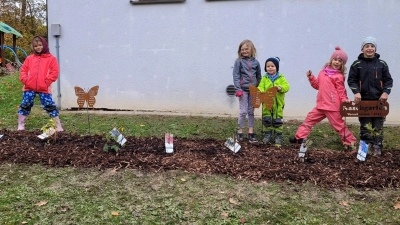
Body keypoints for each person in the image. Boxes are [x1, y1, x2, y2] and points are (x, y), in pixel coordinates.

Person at [289, 46, 357, 150]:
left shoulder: (338, 76)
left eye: (340, 61)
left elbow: (341, 90)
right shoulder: (322, 73)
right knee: (309, 120)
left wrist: (344, 100)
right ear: (331, 60)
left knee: (338, 125)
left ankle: (350, 142)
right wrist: (311, 77)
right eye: (335, 59)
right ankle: (300, 138)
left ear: (342, 64)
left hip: (332, 106)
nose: (337, 62)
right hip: (321, 105)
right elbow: (317, 85)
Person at [347, 36, 393, 156]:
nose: (370, 48)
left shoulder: (382, 64)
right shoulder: (357, 64)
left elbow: (388, 81)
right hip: (364, 102)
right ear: (362, 49)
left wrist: (385, 93)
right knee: (365, 126)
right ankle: (363, 151)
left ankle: (377, 149)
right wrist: (356, 92)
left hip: (379, 101)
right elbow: (351, 80)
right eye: (367, 46)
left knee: (378, 126)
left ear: (375, 49)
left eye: (372, 46)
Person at [17, 36, 64, 131]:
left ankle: (58, 125)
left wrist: (46, 82)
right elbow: (23, 70)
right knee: (25, 103)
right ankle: (21, 124)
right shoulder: (30, 58)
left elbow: (54, 72)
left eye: (40, 45)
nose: (38, 47)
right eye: (35, 46)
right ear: (33, 47)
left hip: (44, 87)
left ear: (44, 44)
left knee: (49, 104)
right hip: (29, 87)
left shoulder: (51, 58)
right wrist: (26, 80)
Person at [233, 39, 261, 143]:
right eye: (242, 49)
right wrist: (238, 89)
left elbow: (259, 76)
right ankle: (239, 131)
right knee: (243, 111)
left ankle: (250, 132)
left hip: (253, 90)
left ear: (251, 49)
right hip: (242, 90)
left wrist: (259, 89)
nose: (244, 51)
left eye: (246, 49)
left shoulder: (256, 63)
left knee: (250, 111)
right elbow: (236, 76)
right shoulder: (238, 62)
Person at [258, 57, 290, 147]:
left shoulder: (281, 78)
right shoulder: (264, 78)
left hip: (278, 104)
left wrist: (280, 88)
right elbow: (261, 86)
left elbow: (287, 86)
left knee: (277, 119)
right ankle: (267, 134)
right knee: (267, 118)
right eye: (268, 66)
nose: (270, 68)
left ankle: (278, 136)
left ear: (276, 67)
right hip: (267, 103)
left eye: (272, 66)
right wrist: (259, 90)